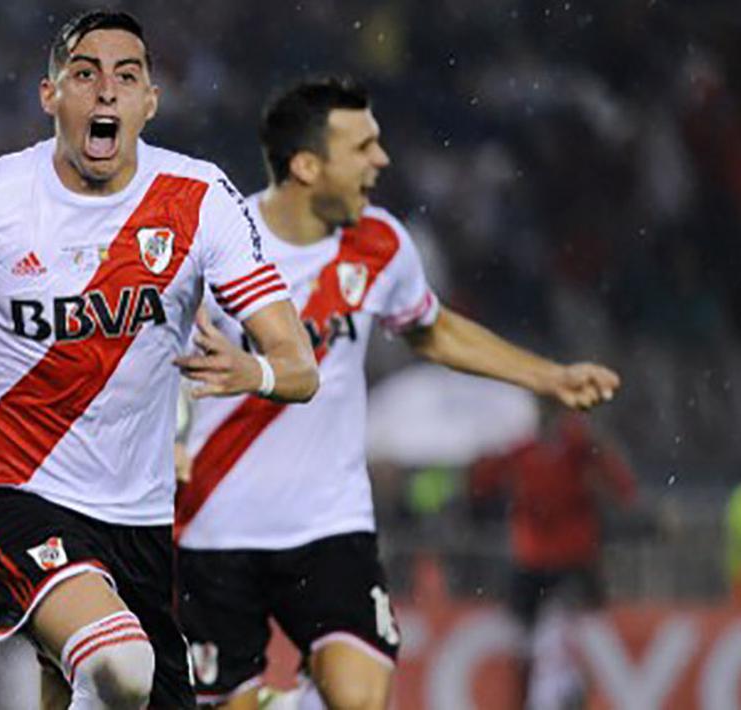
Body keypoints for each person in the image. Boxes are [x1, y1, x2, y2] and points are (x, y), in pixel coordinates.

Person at [0, 10, 318, 709]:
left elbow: (300, 366)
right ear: (49, 95)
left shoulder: (199, 201)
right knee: (119, 664)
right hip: (8, 489)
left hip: (138, 517)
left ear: (150, 101)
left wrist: (252, 370)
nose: (106, 90)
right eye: (85, 74)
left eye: (126, 76)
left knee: (97, 683)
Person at [174, 77, 621, 710]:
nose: (380, 160)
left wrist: (547, 376)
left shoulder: (380, 243)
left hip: (330, 523)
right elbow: (144, 359)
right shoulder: (217, 245)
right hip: (213, 525)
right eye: (361, 147)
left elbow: (432, 331)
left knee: (359, 699)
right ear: (306, 166)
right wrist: (164, 442)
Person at [469, 404, 636, 708]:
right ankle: (542, 695)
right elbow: (483, 482)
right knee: (536, 635)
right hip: (548, 559)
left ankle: (557, 693)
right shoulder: (537, 447)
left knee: (558, 632)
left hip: (560, 559)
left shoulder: (572, 445)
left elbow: (619, 485)